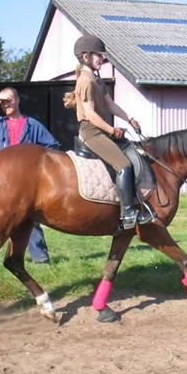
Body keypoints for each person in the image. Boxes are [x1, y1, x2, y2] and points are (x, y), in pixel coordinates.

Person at [64, 35, 152, 230]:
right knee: (123, 165)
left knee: (134, 153)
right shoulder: (85, 81)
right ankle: (127, 213)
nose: (101, 59)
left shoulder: (96, 79)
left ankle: (139, 203)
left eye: (102, 56)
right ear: (85, 56)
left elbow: (110, 104)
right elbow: (89, 114)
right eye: (98, 55)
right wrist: (112, 129)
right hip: (92, 133)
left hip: (102, 130)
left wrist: (129, 118)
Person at [0, 87, 60, 263]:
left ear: (17, 100)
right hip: (1, 181)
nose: (6, 104)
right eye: (3, 102)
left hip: (26, 183)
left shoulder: (32, 125)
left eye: (9, 100)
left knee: (30, 218)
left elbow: (53, 146)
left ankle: (40, 259)